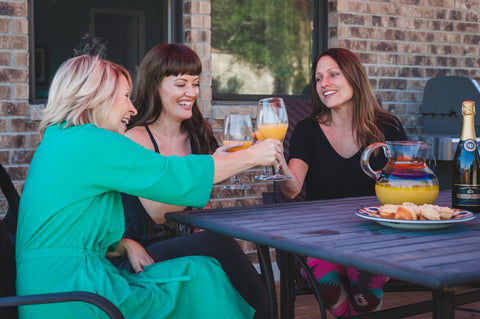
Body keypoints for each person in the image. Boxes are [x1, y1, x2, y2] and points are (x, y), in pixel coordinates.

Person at [15, 54, 283, 318]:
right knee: (198, 279)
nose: (132, 109)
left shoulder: (58, 140)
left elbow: (63, 228)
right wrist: (252, 156)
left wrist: (123, 245)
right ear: (95, 96)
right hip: (77, 295)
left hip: (49, 290)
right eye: (124, 97)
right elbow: (169, 176)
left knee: (200, 271)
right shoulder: (91, 141)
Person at [110, 43, 272, 318]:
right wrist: (215, 168)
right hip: (139, 252)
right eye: (181, 84)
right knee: (217, 242)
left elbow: (195, 201)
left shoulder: (196, 134)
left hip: (182, 244)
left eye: (195, 84)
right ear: (155, 86)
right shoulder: (136, 139)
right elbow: (160, 212)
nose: (191, 93)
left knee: (226, 251)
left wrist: (219, 163)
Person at [278, 48, 407, 318]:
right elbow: (292, 189)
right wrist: (277, 164)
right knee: (327, 284)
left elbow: (408, 184)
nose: (324, 83)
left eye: (333, 74)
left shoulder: (388, 127)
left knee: (364, 285)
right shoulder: (307, 130)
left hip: (376, 235)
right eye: (318, 78)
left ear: (354, 77)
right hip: (321, 237)